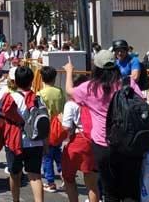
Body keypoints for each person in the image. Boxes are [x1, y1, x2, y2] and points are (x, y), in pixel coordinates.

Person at [63, 48, 144, 202]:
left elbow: (69, 91)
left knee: (110, 191)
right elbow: (141, 104)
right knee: (131, 190)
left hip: (103, 144)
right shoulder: (128, 83)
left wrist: (69, 71)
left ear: (97, 67)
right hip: (129, 143)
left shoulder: (90, 87)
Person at [0, 66, 44, 202]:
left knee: (14, 174)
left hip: (14, 141)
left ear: (15, 81)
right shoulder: (37, 98)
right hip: (35, 140)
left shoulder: (10, 98)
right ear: (31, 81)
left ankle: (16, 200)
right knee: (35, 176)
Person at [60, 74, 98, 202]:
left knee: (68, 177)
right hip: (93, 140)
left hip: (77, 141)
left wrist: (60, 119)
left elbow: (66, 127)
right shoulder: (93, 100)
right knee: (92, 185)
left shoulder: (70, 104)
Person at [37, 66, 65, 193]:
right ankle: (65, 176)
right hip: (58, 127)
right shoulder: (59, 91)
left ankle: (50, 182)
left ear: (42, 78)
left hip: (46, 128)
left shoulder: (40, 94)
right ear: (55, 78)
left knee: (47, 156)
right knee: (57, 153)